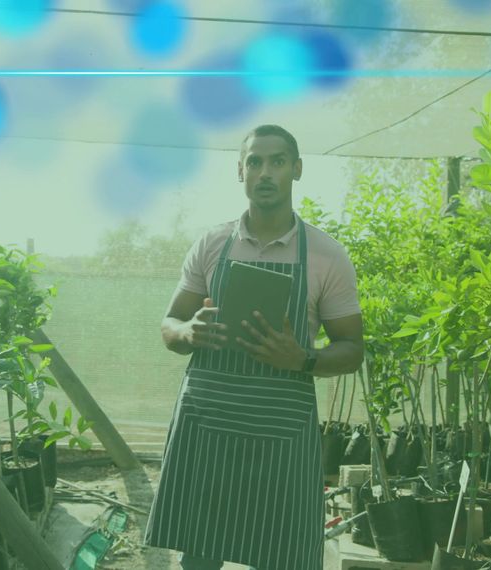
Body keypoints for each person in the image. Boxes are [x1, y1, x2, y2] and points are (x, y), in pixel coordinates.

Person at [144, 124, 365, 570]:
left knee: (279, 554)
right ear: (240, 171)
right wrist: (188, 333)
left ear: (296, 169)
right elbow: (169, 324)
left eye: (277, 161)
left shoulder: (327, 256)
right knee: (198, 557)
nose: (265, 172)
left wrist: (303, 358)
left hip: (280, 430)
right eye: (255, 162)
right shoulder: (211, 244)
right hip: (207, 425)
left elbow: (352, 349)